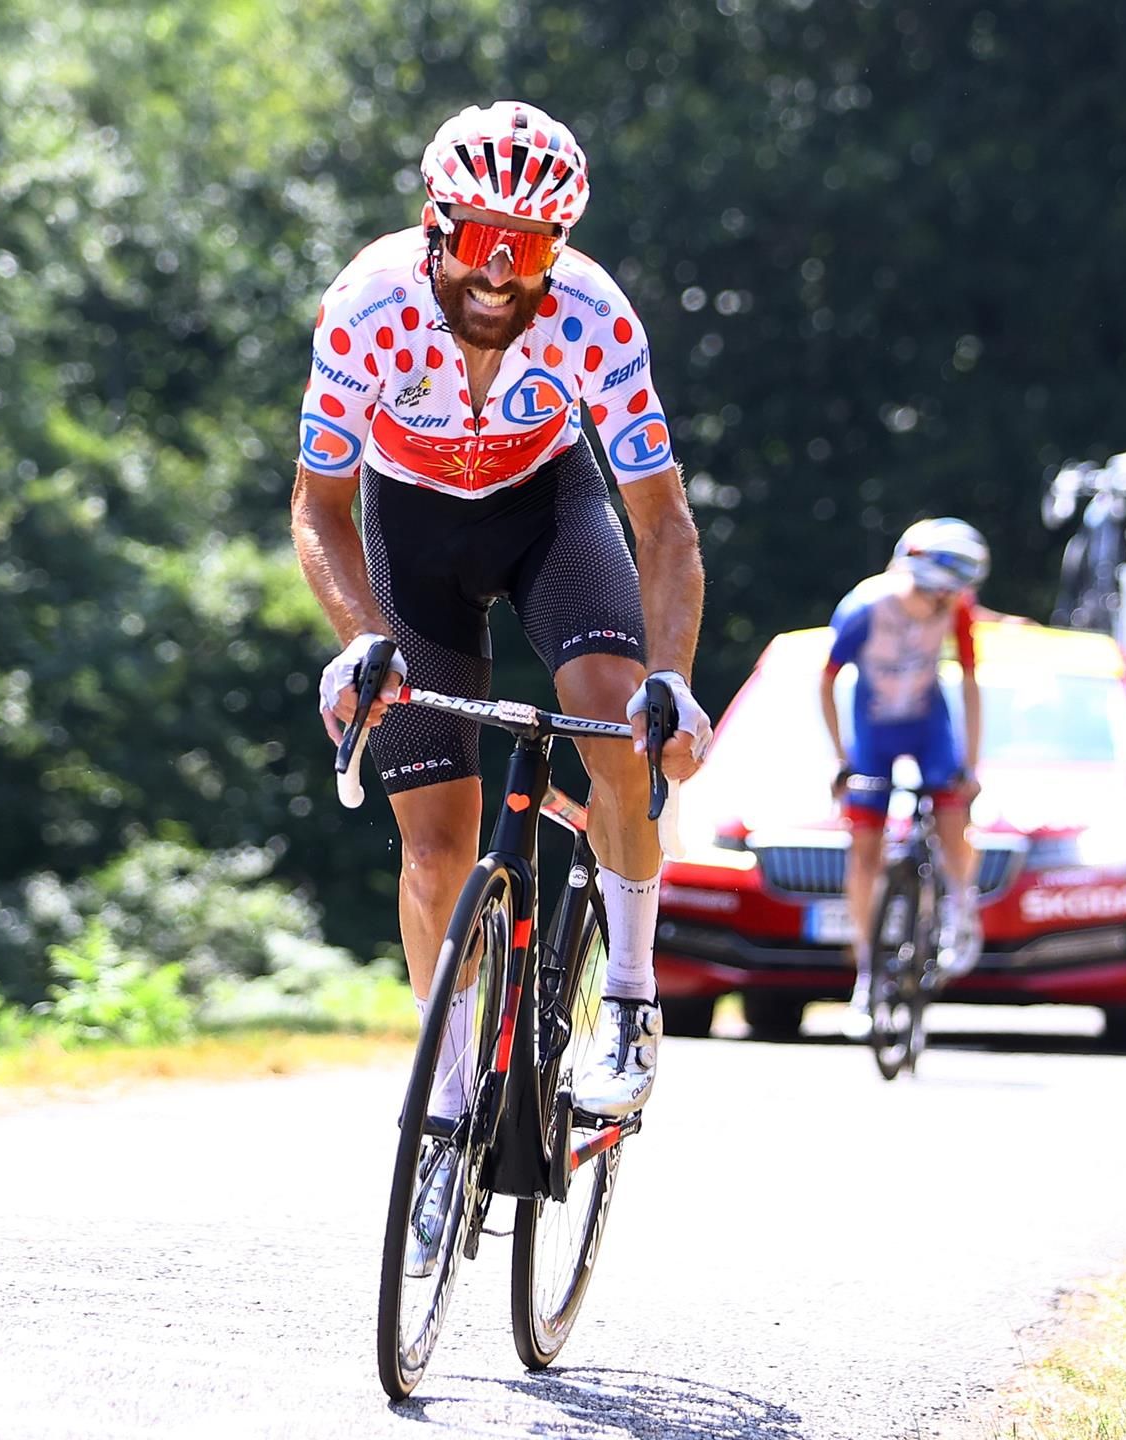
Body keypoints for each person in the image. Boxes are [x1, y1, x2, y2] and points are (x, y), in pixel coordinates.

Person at [289, 102, 709, 1273]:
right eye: (481, 238)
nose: (501, 270)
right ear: (438, 225)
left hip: (547, 514)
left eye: (531, 247)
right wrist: (358, 639)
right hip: (408, 536)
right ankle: (443, 1112)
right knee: (436, 846)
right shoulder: (366, 308)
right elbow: (318, 509)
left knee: (618, 725)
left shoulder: (591, 314)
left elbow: (661, 519)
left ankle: (627, 994)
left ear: (559, 249)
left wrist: (672, 679)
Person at [819, 519, 994, 1036]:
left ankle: (962, 905)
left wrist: (972, 764)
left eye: (951, 595)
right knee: (866, 848)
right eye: (937, 592)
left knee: (953, 808)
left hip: (927, 724)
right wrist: (839, 758)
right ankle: (867, 975)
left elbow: (969, 679)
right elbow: (826, 681)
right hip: (874, 729)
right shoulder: (864, 609)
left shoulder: (957, 612)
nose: (943, 604)